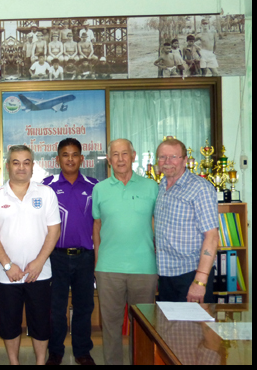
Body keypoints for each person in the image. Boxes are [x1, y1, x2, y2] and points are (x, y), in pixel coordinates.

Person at [0, 145, 61, 365]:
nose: (21, 167)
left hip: (40, 273)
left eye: (26, 162)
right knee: (9, 324)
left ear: (33, 166)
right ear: (8, 166)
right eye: (16, 162)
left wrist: (38, 262)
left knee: (41, 324)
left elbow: (54, 230)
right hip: (8, 275)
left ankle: (40, 361)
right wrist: (7, 265)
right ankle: (14, 362)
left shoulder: (46, 193)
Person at [92, 139, 159, 365]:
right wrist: (97, 263)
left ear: (134, 155)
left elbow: (156, 224)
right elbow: (97, 227)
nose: (120, 159)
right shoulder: (99, 189)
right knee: (110, 326)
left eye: (125, 154)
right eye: (115, 155)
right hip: (108, 269)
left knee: (143, 327)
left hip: (144, 268)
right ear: (109, 159)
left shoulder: (151, 187)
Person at [42, 138, 98, 366]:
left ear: (82, 158)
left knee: (85, 306)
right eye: (65, 154)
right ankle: (55, 351)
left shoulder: (94, 186)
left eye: (75, 154)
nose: (70, 159)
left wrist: (97, 258)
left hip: (85, 257)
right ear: (58, 159)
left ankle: (82, 351)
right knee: (56, 308)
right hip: (55, 257)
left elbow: (99, 223)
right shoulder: (47, 186)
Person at [154, 138, 219, 303]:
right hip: (166, 275)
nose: (167, 162)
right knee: (168, 327)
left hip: (191, 274)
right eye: (162, 157)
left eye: (173, 157)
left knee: (196, 328)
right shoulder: (161, 186)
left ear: (185, 160)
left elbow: (211, 236)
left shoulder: (200, 188)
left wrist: (200, 281)